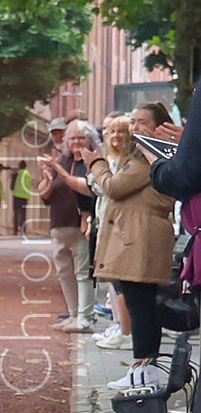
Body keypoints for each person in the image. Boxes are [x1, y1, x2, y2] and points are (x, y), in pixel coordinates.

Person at [73, 117, 176, 388]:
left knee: (140, 308)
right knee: (141, 306)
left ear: (159, 126)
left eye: (141, 122)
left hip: (137, 239)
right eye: (133, 122)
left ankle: (143, 371)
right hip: (137, 237)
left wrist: (96, 163)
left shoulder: (144, 161)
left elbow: (113, 187)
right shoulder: (147, 158)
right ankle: (144, 370)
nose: (134, 128)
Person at [37, 119, 98, 333]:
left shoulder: (92, 162)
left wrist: (87, 215)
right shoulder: (61, 161)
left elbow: (91, 191)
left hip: (80, 224)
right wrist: (46, 177)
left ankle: (85, 318)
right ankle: (73, 315)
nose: (76, 142)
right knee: (64, 273)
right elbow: (45, 196)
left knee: (82, 272)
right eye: (72, 138)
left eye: (81, 137)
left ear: (90, 139)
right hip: (59, 224)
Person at [11, 159, 33, 235]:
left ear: (19, 166)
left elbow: (12, 186)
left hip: (16, 196)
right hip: (24, 197)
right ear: (25, 167)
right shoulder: (28, 175)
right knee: (23, 214)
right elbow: (30, 185)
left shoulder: (16, 174)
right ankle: (23, 231)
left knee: (16, 214)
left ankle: (15, 230)